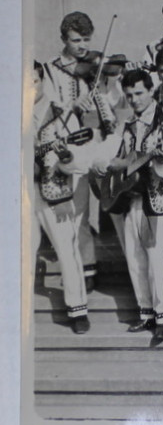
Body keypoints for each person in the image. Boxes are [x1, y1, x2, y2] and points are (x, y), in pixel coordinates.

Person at [41, 11, 117, 291]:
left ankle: (88, 267)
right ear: (64, 39)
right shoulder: (50, 69)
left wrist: (108, 85)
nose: (83, 46)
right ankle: (79, 269)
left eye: (86, 39)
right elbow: (47, 107)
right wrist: (72, 106)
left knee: (97, 207)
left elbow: (108, 103)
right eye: (76, 41)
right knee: (73, 211)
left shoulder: (93, 66)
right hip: (67, 146)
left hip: (94, 142)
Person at [108, 69, 163, 341]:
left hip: (159, 198)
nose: (134, 99)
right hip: (133, 197)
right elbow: (117, 159)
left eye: (139, 93)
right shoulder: (128, 124)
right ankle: (145, 312)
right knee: (134, 256)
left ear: (152, 91)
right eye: (129, 95)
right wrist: (119, 165)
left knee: (155, 255)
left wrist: (158, 158)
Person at [33, 61, 90, 334]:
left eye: (33, 82)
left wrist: (65, 155)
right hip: (19, 192)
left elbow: (78, 159)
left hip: (54, 189)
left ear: (42, 81)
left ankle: (77, 309)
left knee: (66, 248)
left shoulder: (62, 114)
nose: (28, 89)